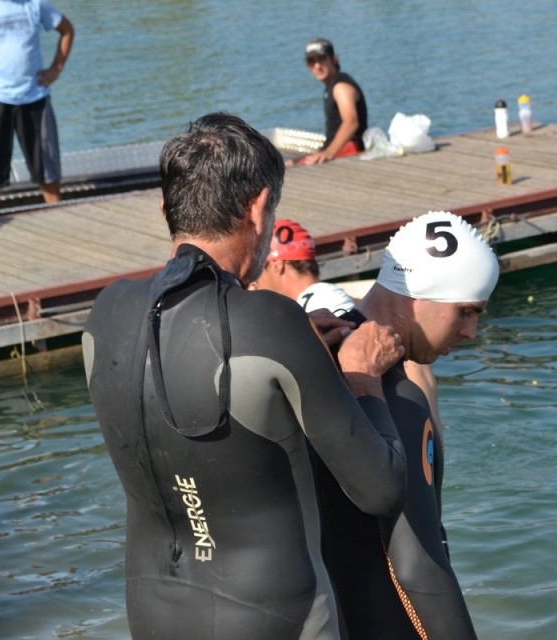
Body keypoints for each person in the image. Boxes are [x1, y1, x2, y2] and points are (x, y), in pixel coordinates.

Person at [82, 112, 408, 640]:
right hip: (279, 618)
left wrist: (295, 346)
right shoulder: (273, 323)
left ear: (166, 209)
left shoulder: (106, 312)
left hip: (152, 614)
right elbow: (380, 489)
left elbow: (188, 359)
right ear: (258, 209)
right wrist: (361, 374)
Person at [316, 210, 499, 639]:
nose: (472, 331)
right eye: (465, 311)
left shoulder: (312, 356)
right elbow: (421, 569)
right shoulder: (401, 399)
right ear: (420, 295)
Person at [249, 217, 445, 427]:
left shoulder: (319, 299)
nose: (255, 281)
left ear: (278, 265)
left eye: (260, 269)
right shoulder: (333, 298)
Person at [0, 0, 75, 212]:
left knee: (48, 171)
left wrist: (55, 69)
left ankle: (59, 218)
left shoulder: (36, 4)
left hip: (35, 98)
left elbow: (67, 30)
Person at [296, 38, 367, 166]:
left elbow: (351, 122)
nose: (317, 66)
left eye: (321, 59)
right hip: (338, 148)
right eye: (311, 62)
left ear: (334, 59)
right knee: (288, 164)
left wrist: (328, 153)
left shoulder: (341, 86)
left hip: (350, 148)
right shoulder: (332, 85)